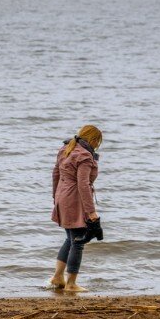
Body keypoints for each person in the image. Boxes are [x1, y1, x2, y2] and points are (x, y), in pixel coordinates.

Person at [49, 124, 102, 292]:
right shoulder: (84, 156)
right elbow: (83, 185)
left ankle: (58, 277)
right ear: (93, 140)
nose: (97, 146)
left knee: (70, 239)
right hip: (75, 200)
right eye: (98, 142)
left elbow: (55, 175)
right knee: (78, 242)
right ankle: (71, 284)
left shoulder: (65, 149)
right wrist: (91, 212)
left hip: (62, 196)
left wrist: (56, 198)